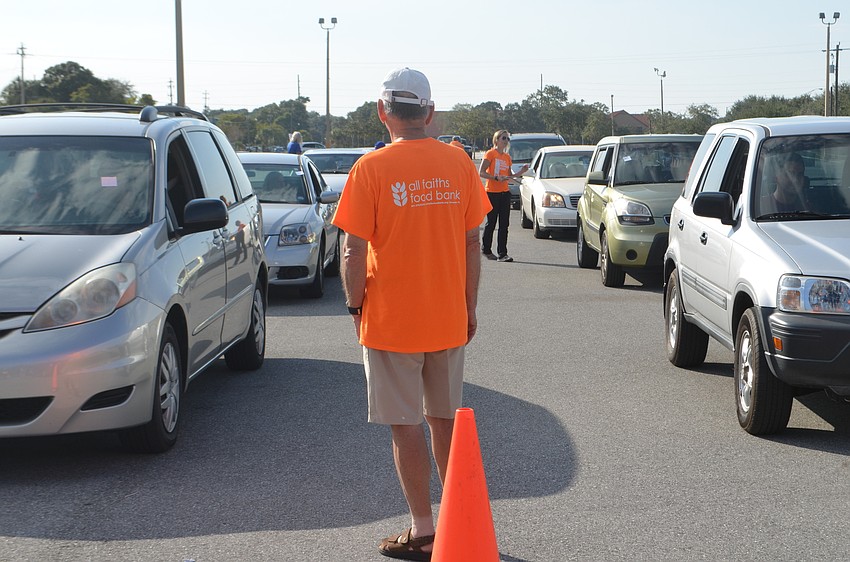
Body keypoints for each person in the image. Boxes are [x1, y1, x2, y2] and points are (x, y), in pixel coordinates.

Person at [332, 67, 490, 562]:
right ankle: (455, 521)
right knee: (444, 421)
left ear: (383, 113)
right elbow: (472, 243)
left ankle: (424, 530)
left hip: (390, 320)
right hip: (447, 316)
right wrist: (468, 307)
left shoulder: (370, 169)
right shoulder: (459, 163)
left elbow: (353, 251)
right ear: (429, 112)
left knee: (406, 426)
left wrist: (355, 305)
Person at [479, 130, 528, 262]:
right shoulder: (490, 154)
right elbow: (481, 172)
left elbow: (509, 176)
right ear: (497, 140)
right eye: (503, 138)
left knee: (504, 224)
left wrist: (521, 172)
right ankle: (486, 249)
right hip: (492, 193)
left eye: (507, 139)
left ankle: (503, 253)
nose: (506, 141)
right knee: (491, 223)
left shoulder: (507, 157)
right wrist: (495, 177)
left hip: (504, 193)